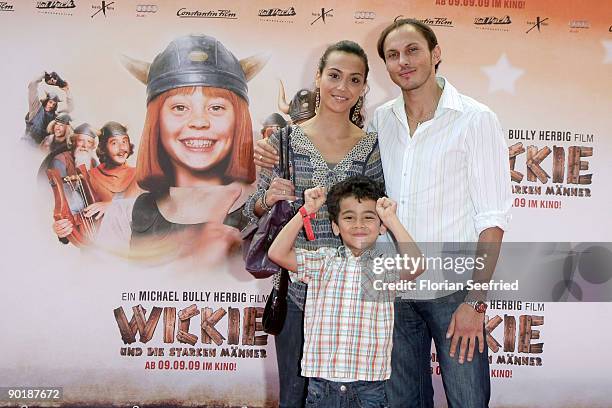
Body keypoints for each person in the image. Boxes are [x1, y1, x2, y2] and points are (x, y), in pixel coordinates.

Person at [370, 19, 512, 407]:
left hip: (455, 296)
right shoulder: (382, 120)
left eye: (413, 50)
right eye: (393, 55)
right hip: (395, 292)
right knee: (402, 403)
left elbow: (493, 218)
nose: (403, 61)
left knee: (468, 400)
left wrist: (476, 302)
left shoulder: (475, 118)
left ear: (435, 53)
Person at [244, 40, 384, 408]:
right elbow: (250, 212)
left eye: (354, 80)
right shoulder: (284, 140)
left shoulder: (372, 147)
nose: (342, 87)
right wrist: (267, 198)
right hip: (297, 291)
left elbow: (376, 220)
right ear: (318, 78)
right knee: (294, 393)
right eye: (334, 76)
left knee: (347, 397)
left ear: (363, 88)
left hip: (349, 296)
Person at [94, 34, 266, 263]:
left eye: (215, 107)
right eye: (179, 107)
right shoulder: (123, 217)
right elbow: (104, 291)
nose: (198, 121)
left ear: (239, 120)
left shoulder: (263, 212)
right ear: (157, 120)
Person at [268, 177, 423, 407]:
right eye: (349, 217)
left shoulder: (384, 268)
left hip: (369, 389)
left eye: (368, 217)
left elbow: (416, 265)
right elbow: (277, 253)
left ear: (381, 227)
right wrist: (306, 211)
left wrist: (391, 218)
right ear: (335, 226)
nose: (359, 224)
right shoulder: (323, 261)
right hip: (321, 387)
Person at [52, 121, 140, 242]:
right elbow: (72, 215)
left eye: (124, 142)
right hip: (100, 253)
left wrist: (111, 206)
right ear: (103, 148)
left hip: (135, 251)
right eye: (114, 143)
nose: (122, 148)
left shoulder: (140, 175)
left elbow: (153, 209)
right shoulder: (90, 177)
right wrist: (62, 230)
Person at [24, 72, 73, 145]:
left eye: (54, 104)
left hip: (40, 147)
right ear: (46, 101)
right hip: (26, 143)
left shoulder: (56, 116)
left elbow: (70, 108)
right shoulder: (36, 107)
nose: (51, 105)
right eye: (50, 102)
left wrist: (67, 91)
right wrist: (45, 75)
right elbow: (32, 85)